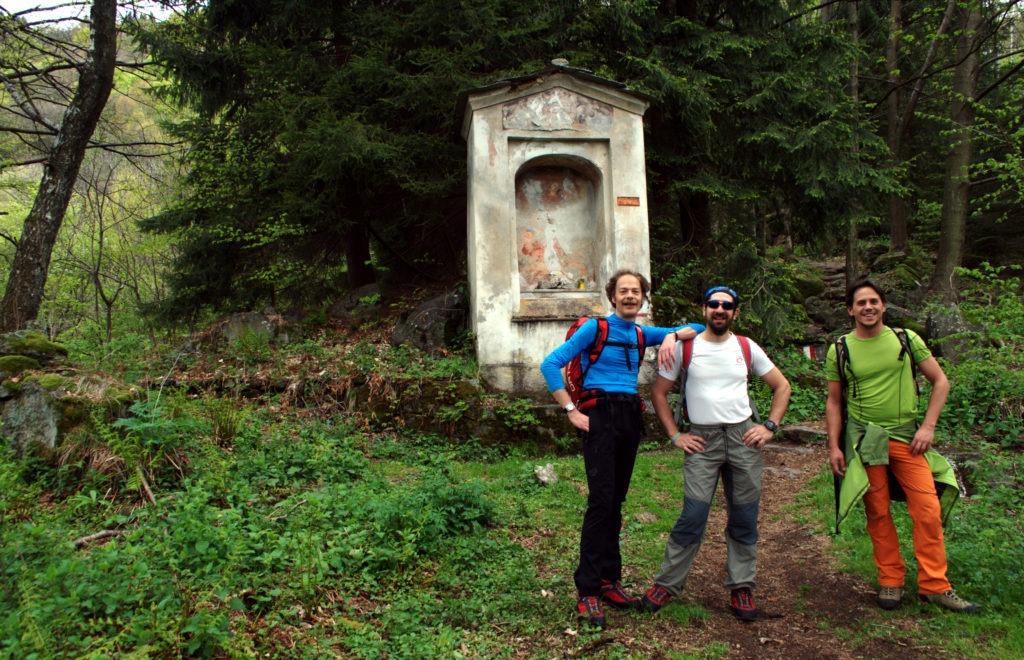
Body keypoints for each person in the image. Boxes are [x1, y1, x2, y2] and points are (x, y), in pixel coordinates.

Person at [540, 269, 704, 629]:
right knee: (600, 502)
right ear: (612, 297)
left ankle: (608, 581)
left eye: (636, 291)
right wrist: (571, 410)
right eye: (623, 291)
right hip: (600, 413)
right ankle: (587, 590)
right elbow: (549, 363)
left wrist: (673, 336)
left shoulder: (643, 333)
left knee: (616, 502)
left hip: (630, 415)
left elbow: (701, 327)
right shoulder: (594, 329)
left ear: (643, 298)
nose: (630, 296)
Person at [825, 279, 978, 613]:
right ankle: (890, 581)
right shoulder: (840, 349)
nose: (868, 307)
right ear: (850, 309)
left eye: (874, 301)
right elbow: (834, 402)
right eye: (861, 302)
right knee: (878, 511)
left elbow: (941, 381)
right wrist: (834, 446)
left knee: (927, 510)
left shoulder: (906, 340)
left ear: (884, 305)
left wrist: (928, 426)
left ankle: (935, 586)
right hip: (866, 441)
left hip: (909, 439)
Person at [640, 285, 791, 622]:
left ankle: (741, 587)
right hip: (702, 441)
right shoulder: (685, 348)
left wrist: (769, 425)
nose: (719, 310)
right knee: (692, 515)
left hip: (743, 437)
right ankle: (667, 583)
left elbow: (782, 386)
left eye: (727, 306)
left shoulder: (746, 347)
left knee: (743, 515)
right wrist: (675, 435)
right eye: (713, 304)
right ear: (704, 309)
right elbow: (659, 392)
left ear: (735, 312)